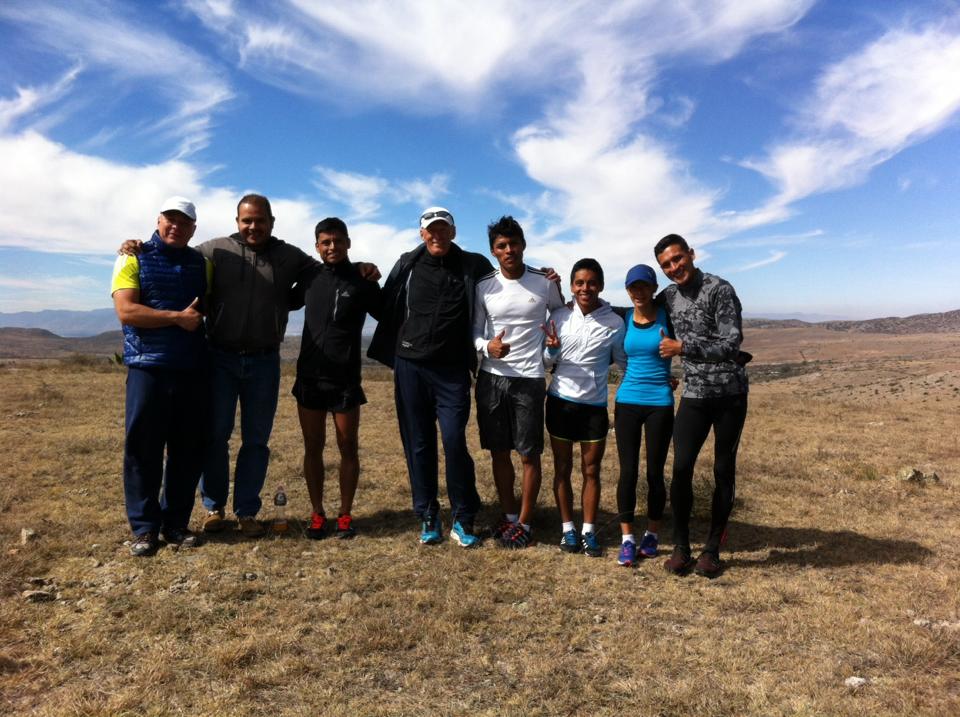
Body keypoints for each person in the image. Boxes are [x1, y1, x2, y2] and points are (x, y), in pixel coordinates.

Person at [119, 195, 380, 538]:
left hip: (264, 360)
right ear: (237, 221)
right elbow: (175, 251)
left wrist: (363, 267)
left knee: (256, 441)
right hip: (220, 358)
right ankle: (214, 507)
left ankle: (246, 511)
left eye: (260, 221)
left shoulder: (289, 256)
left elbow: (329, 266)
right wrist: (137, 246)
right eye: (247, 221)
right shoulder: (215, 250)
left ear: (272, 222)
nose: (253, 227)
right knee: (215, 437)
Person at [368, 207, 494, 547]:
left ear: (453, 232)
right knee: (418, 444)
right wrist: (362, 277)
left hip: (452, 370)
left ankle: (464, 515)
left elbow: (503, 292)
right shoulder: (407, 263)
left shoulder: (473, 264)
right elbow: (382, 306)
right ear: (422, 233)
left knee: (454, 441)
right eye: (431, 230)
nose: (437, 235)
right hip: (410, 365)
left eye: (443, 229)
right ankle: (427, 513)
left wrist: (544, 280)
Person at [111, 197, 211, 556]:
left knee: (187, 450)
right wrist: (175, 318)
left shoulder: (201, 262)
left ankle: (176, 524)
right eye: (170, 220)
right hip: (147, 367)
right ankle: (144, 529)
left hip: (192, 369)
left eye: (184, 223)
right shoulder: (131, 257)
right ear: (158, 220)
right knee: (143, 450)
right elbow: (126, 310)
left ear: (193, 230)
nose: (176, 227)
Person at [655, 233, 749, 578]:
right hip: (694, 394)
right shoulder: (667, 296)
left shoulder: (719, 289)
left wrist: (683, 348)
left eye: (678, 259)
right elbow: (640, 312)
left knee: (723, 470)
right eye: (666, 264)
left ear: (691, 254)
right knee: (681, 470)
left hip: (729, 394)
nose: (673, 267)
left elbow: (731, 342)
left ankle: (711, 550)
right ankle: (681, 548)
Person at [473, 216, 564, 549]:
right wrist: (487, 347)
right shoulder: (483, 285)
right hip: (492, 378)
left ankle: (525, 524)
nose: (508, 250)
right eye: (501, 246)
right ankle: (509, 516)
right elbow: (475, 331)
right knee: (499, 452)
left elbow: (560, 313)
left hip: (529, 378)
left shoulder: (544, 281)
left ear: (523, 245)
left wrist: (550, 351)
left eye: (513, 243)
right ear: (493, 251)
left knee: (529, 454)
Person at [290, 218, 381, 540]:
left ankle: (345, 514)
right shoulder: (310, 276)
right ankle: (317, 513)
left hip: (345, 379)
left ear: (348, 243)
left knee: (348, 447)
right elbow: (283, 299)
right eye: (325, 242)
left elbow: (388, 313)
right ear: (317, 246)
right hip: (310, 377)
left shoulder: (361, 278)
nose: (332, 247)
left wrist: (372, 271)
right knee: (312, 446)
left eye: (338, 241)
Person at [543, 258, 626, 557]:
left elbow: (624, 361)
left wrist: (657, 378)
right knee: (562, 469)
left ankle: (589, 530)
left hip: (594, 407)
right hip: (560, 403)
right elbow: (544, 362)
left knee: (592, 470)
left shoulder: (615, 322)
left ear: (601, 285)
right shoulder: (559, 316)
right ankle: (568, 530)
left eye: (591, 282)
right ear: (571, 286)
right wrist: (551, 350)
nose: (585, 288)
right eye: (579, 282)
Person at [613, 264, 675, 567]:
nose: (638, 292)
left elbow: (686, 343)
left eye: (644, 286)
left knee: (654, 472)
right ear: (628, 290)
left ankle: (652, 534)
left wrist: (677, 361)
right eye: (633, 287)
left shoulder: (667, 316)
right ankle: (627, 539)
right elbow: (585, 301)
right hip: (627, 400)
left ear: (653, 288)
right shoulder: (624, 316)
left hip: (659, 402)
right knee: (628, 472)